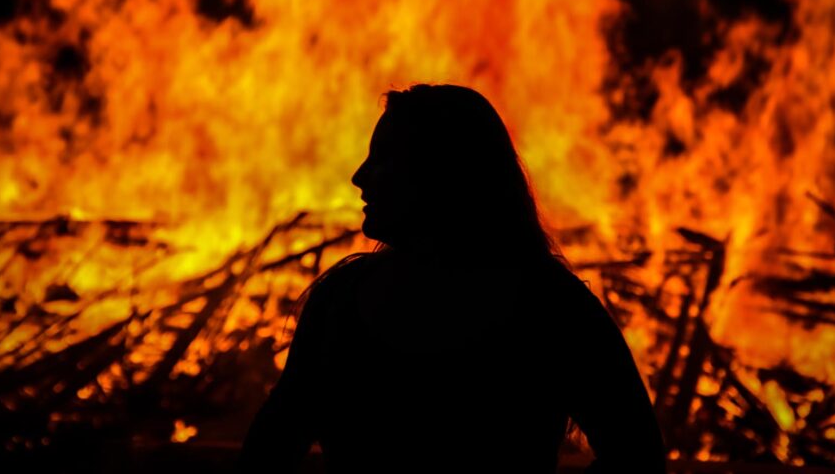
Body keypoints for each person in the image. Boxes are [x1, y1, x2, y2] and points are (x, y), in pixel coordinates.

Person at [238, 84, 666, 473]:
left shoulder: (552, 309)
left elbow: (636, 456)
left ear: (443, 173)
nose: (360, 176)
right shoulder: (552, 304)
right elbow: (270, 451)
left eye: (384, 158)